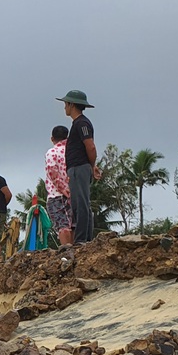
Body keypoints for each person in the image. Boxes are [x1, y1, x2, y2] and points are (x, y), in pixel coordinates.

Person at [57, 89, 102, 243]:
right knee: (81, 203)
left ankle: (82, 240)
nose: (64, 107)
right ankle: (85, 239)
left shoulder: (82, 123)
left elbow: (90, 146)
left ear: (71, 104)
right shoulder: (78, 123)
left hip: (79, 168)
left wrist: (91, 165)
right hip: (78, 168)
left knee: (80, 204)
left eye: (65, 104)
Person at [45, 125, 72, 247]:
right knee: (72, 223)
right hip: (73, 193)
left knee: (62, 226)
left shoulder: (52, 152)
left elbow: (52, 171)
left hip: (57, 195)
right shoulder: (73, 151)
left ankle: (67, 252)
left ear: (52, 138)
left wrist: (62, 188)